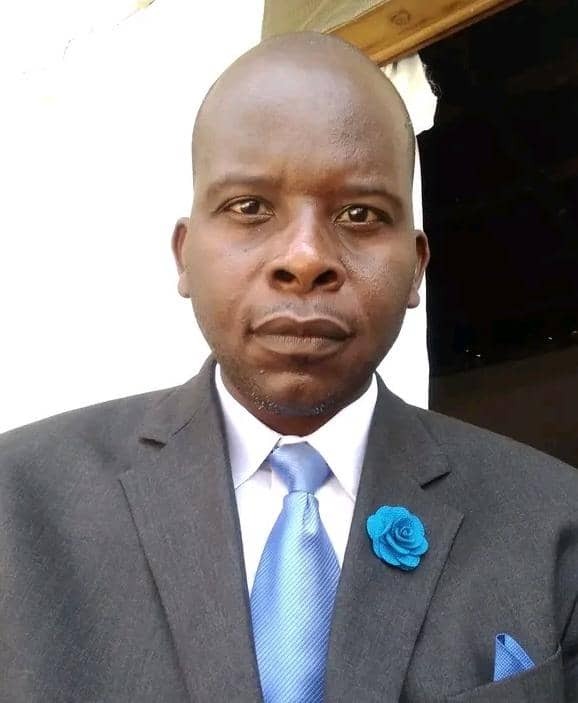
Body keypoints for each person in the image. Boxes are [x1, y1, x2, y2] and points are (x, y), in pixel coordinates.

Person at [1, 31, 577, 703]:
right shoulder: (17, 505)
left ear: (417, 266)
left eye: (360, 214)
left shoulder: (554, 524)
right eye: (250, 208)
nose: (305, 258)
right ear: (185, 255)